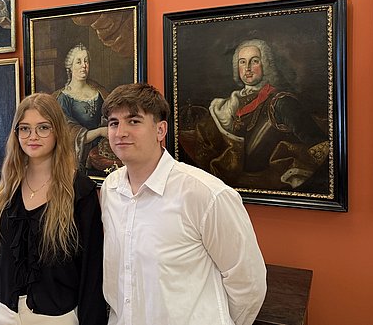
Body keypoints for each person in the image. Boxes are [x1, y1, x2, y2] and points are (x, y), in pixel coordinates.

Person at [100, 83, 266, 325]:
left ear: (160, 130)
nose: (120, 132)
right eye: (114, 123)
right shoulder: (111, 189)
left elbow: (248, 282)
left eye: (134, 121)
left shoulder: (206, 194)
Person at [0, 93, 108, 325]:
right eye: (25, 129)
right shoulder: (5, 187)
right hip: (4, 314)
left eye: (43, 128)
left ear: (58, 131)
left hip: (56, 317)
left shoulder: (79, 190)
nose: (33, 136)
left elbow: (91, 270)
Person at [184, 39, 329, 191]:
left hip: (268, 186)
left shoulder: (282, 102)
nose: (247, 68)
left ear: (265, 64)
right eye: (242, 62)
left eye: (254, 61)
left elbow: (319, 143)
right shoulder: (228, 104)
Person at [53, 43, 119, 174]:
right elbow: (69, 135)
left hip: (102, 153)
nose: (84, 65)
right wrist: (99, 132)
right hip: (77, 160)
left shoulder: (99, 92)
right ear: (70, 67)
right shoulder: (63, 99)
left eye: (86, 61)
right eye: (78, 62)